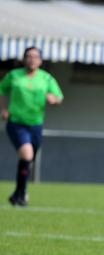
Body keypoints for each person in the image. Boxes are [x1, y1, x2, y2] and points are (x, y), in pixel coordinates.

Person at [0, 46, 63, 207]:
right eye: (28, 56)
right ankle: (21, 195)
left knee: (29, 159)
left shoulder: (46, 78)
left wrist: (53, 100)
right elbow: (1, 91)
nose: (32, 59)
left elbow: (59, 97)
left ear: (41, 61)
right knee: (27, 155)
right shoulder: (14, 76)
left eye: (35, 57)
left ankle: (17, 194)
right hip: (16, 123)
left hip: (36, 125)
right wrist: (4, 109)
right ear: (23, 59)